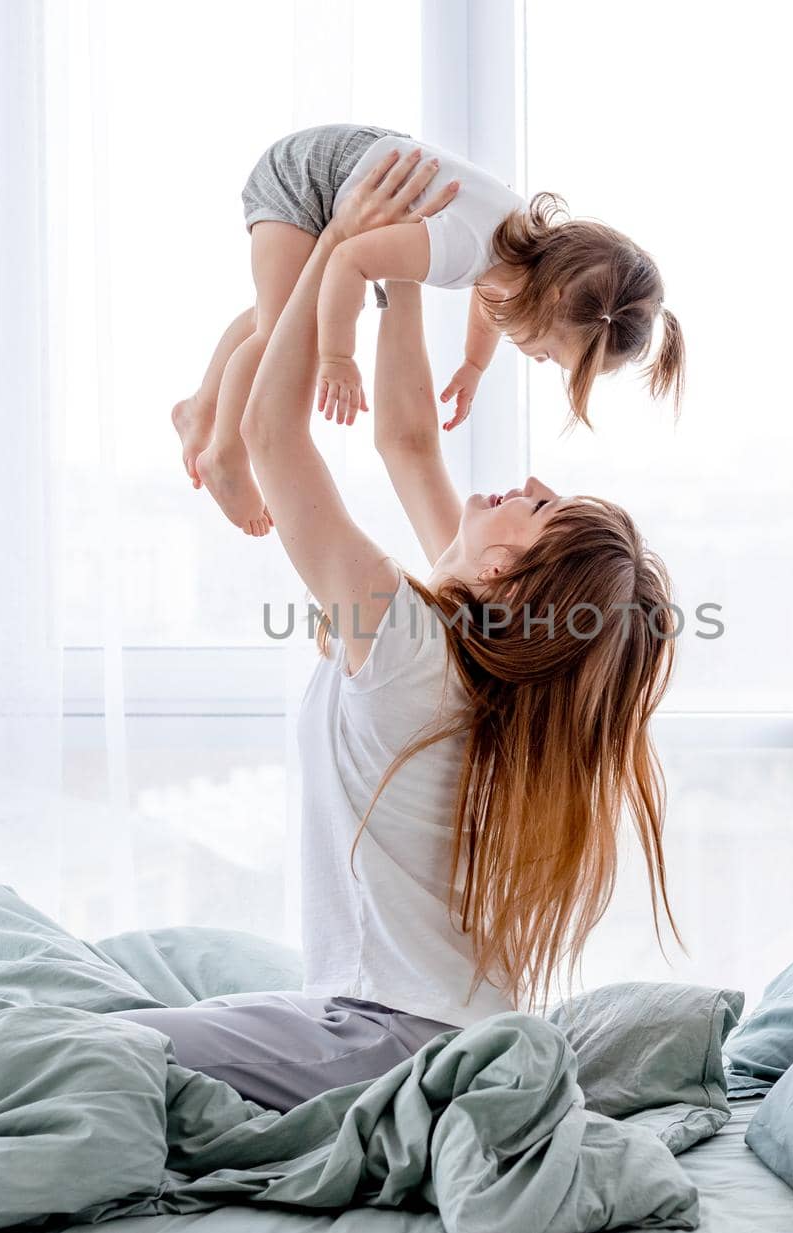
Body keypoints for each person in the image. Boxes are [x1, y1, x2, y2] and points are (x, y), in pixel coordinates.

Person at [119, 150, 682, 1112]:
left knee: (71, 1049)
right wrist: (400, 280)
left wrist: (340, 243)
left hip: (383, 1041)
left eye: (544, 509)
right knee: (81, 1037)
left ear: (512, 574)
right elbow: (407, 440)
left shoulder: (409, 641)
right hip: (438, 1036)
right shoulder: (465, 649)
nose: (533, 482)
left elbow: (271, 440)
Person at [170, 123, 686, 536]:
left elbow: (490, 296)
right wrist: (338, 359)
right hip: (308, 182)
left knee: (272, 311)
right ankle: (226, 456)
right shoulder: (462, 247)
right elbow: (349, 259)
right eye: (549, 352)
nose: (536, 359)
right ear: (551, 297)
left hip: (348, 160)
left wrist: (473, 365)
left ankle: (200, 408)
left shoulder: (518, 244)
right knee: (284, 334)